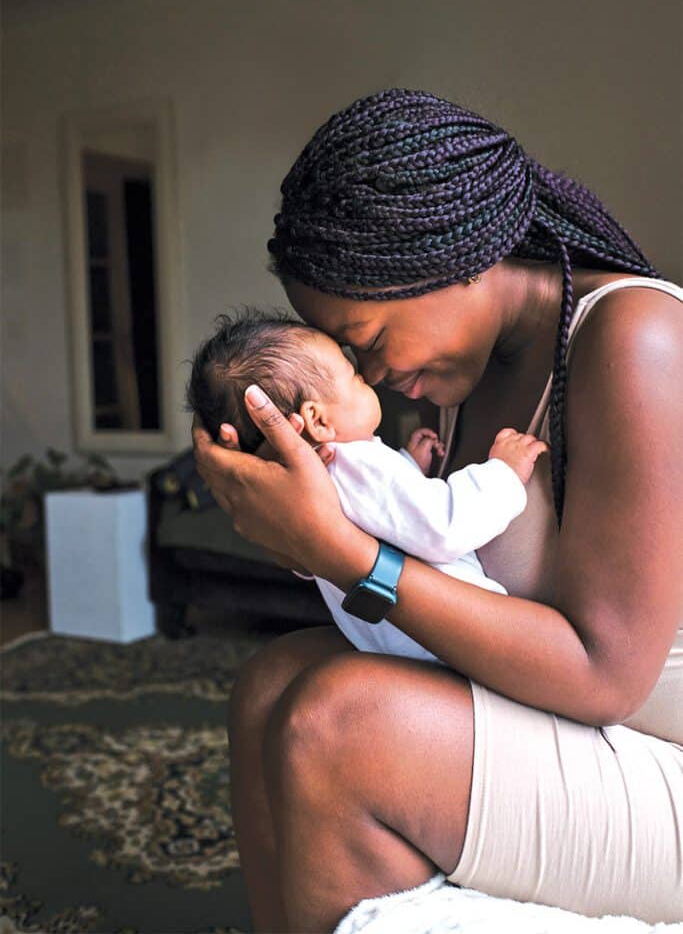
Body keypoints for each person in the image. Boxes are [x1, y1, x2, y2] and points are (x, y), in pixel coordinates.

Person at [192, 89, 683, 932]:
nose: (371, 377)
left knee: (338, 722)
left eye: (369, 341)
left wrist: (348, 554)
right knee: (270, 684)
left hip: (657, 751)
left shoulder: (634, 337)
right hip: (562, 719)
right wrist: (304, 525)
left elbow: (605, 676)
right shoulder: (456, 377)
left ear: (457, 255)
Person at [186, 310, 547, 661]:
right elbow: (444, 526)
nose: (368, 379)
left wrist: (407, 467)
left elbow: (383, 521)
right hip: (450, 638)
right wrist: (503, 472)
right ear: (317, 420)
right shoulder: (357, 463)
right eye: (354, 377)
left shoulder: (309, 485)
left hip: (392, 641)